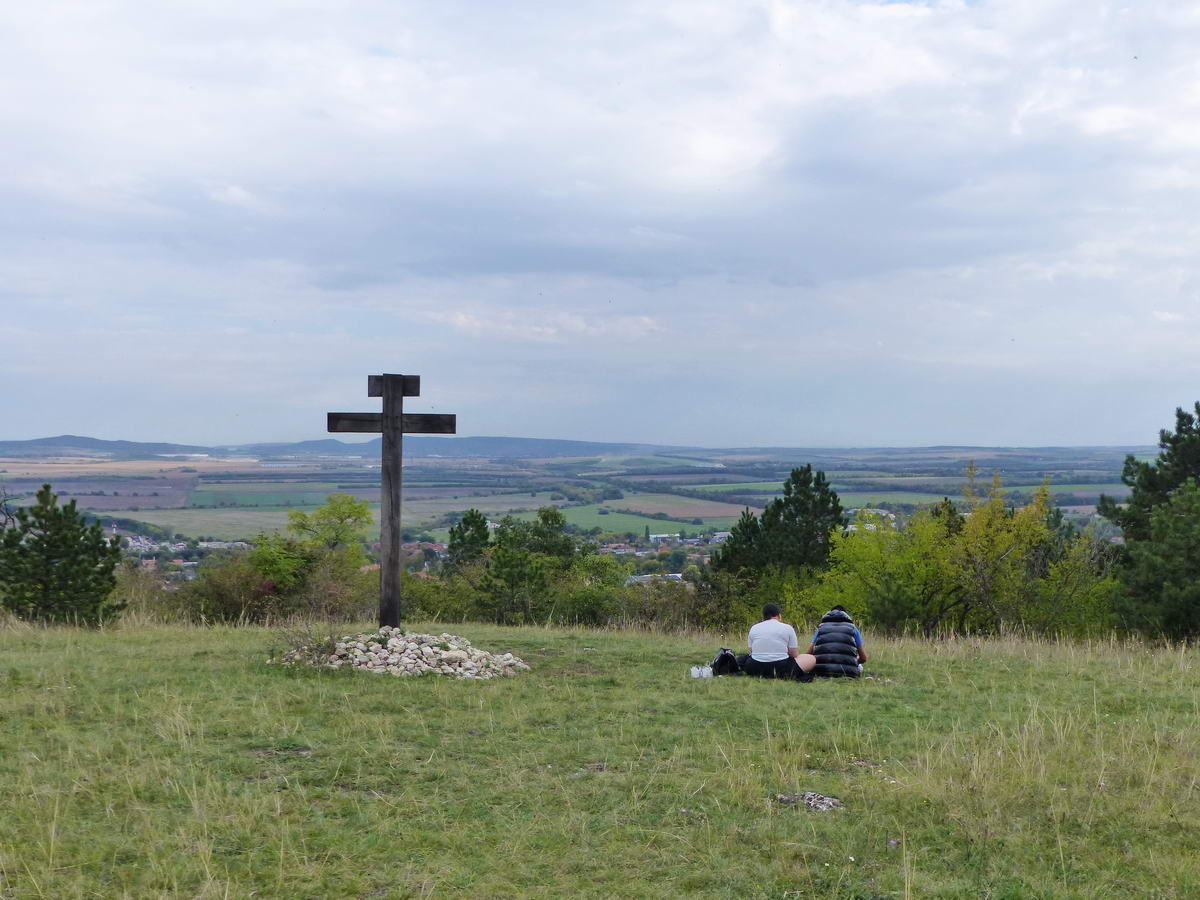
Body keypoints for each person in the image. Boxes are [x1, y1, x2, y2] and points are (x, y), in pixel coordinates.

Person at [742, 603, 817, 681]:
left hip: (754, 668)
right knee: (811, 658)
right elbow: (793, 654)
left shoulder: (754, 628)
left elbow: (752, 651)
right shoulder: (788, 628)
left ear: (763, 617)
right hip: (781, 668)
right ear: (779, 615)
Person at [807, 605, 866, 678]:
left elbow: (809, 653)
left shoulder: (821, 628)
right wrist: (853, 661)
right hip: (848, 674)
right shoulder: (853, 628)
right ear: (846, 615)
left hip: (821, 672)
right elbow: (863, 658)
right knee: (860, 667)